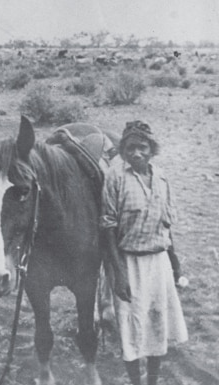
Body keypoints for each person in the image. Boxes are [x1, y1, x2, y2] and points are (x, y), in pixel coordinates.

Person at [100, 121, 188, 385]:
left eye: (142, 147)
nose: (136, 153)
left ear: (152, 150)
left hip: (158, 261)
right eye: (130, 148)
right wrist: (118, 273)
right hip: (128, 262)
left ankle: (152, 380)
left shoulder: (161, 178)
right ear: (123, 151)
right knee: (129, 327)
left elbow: (167, 225)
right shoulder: (115, 178)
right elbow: (107, 226)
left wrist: (175, 264)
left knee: (157, 323)